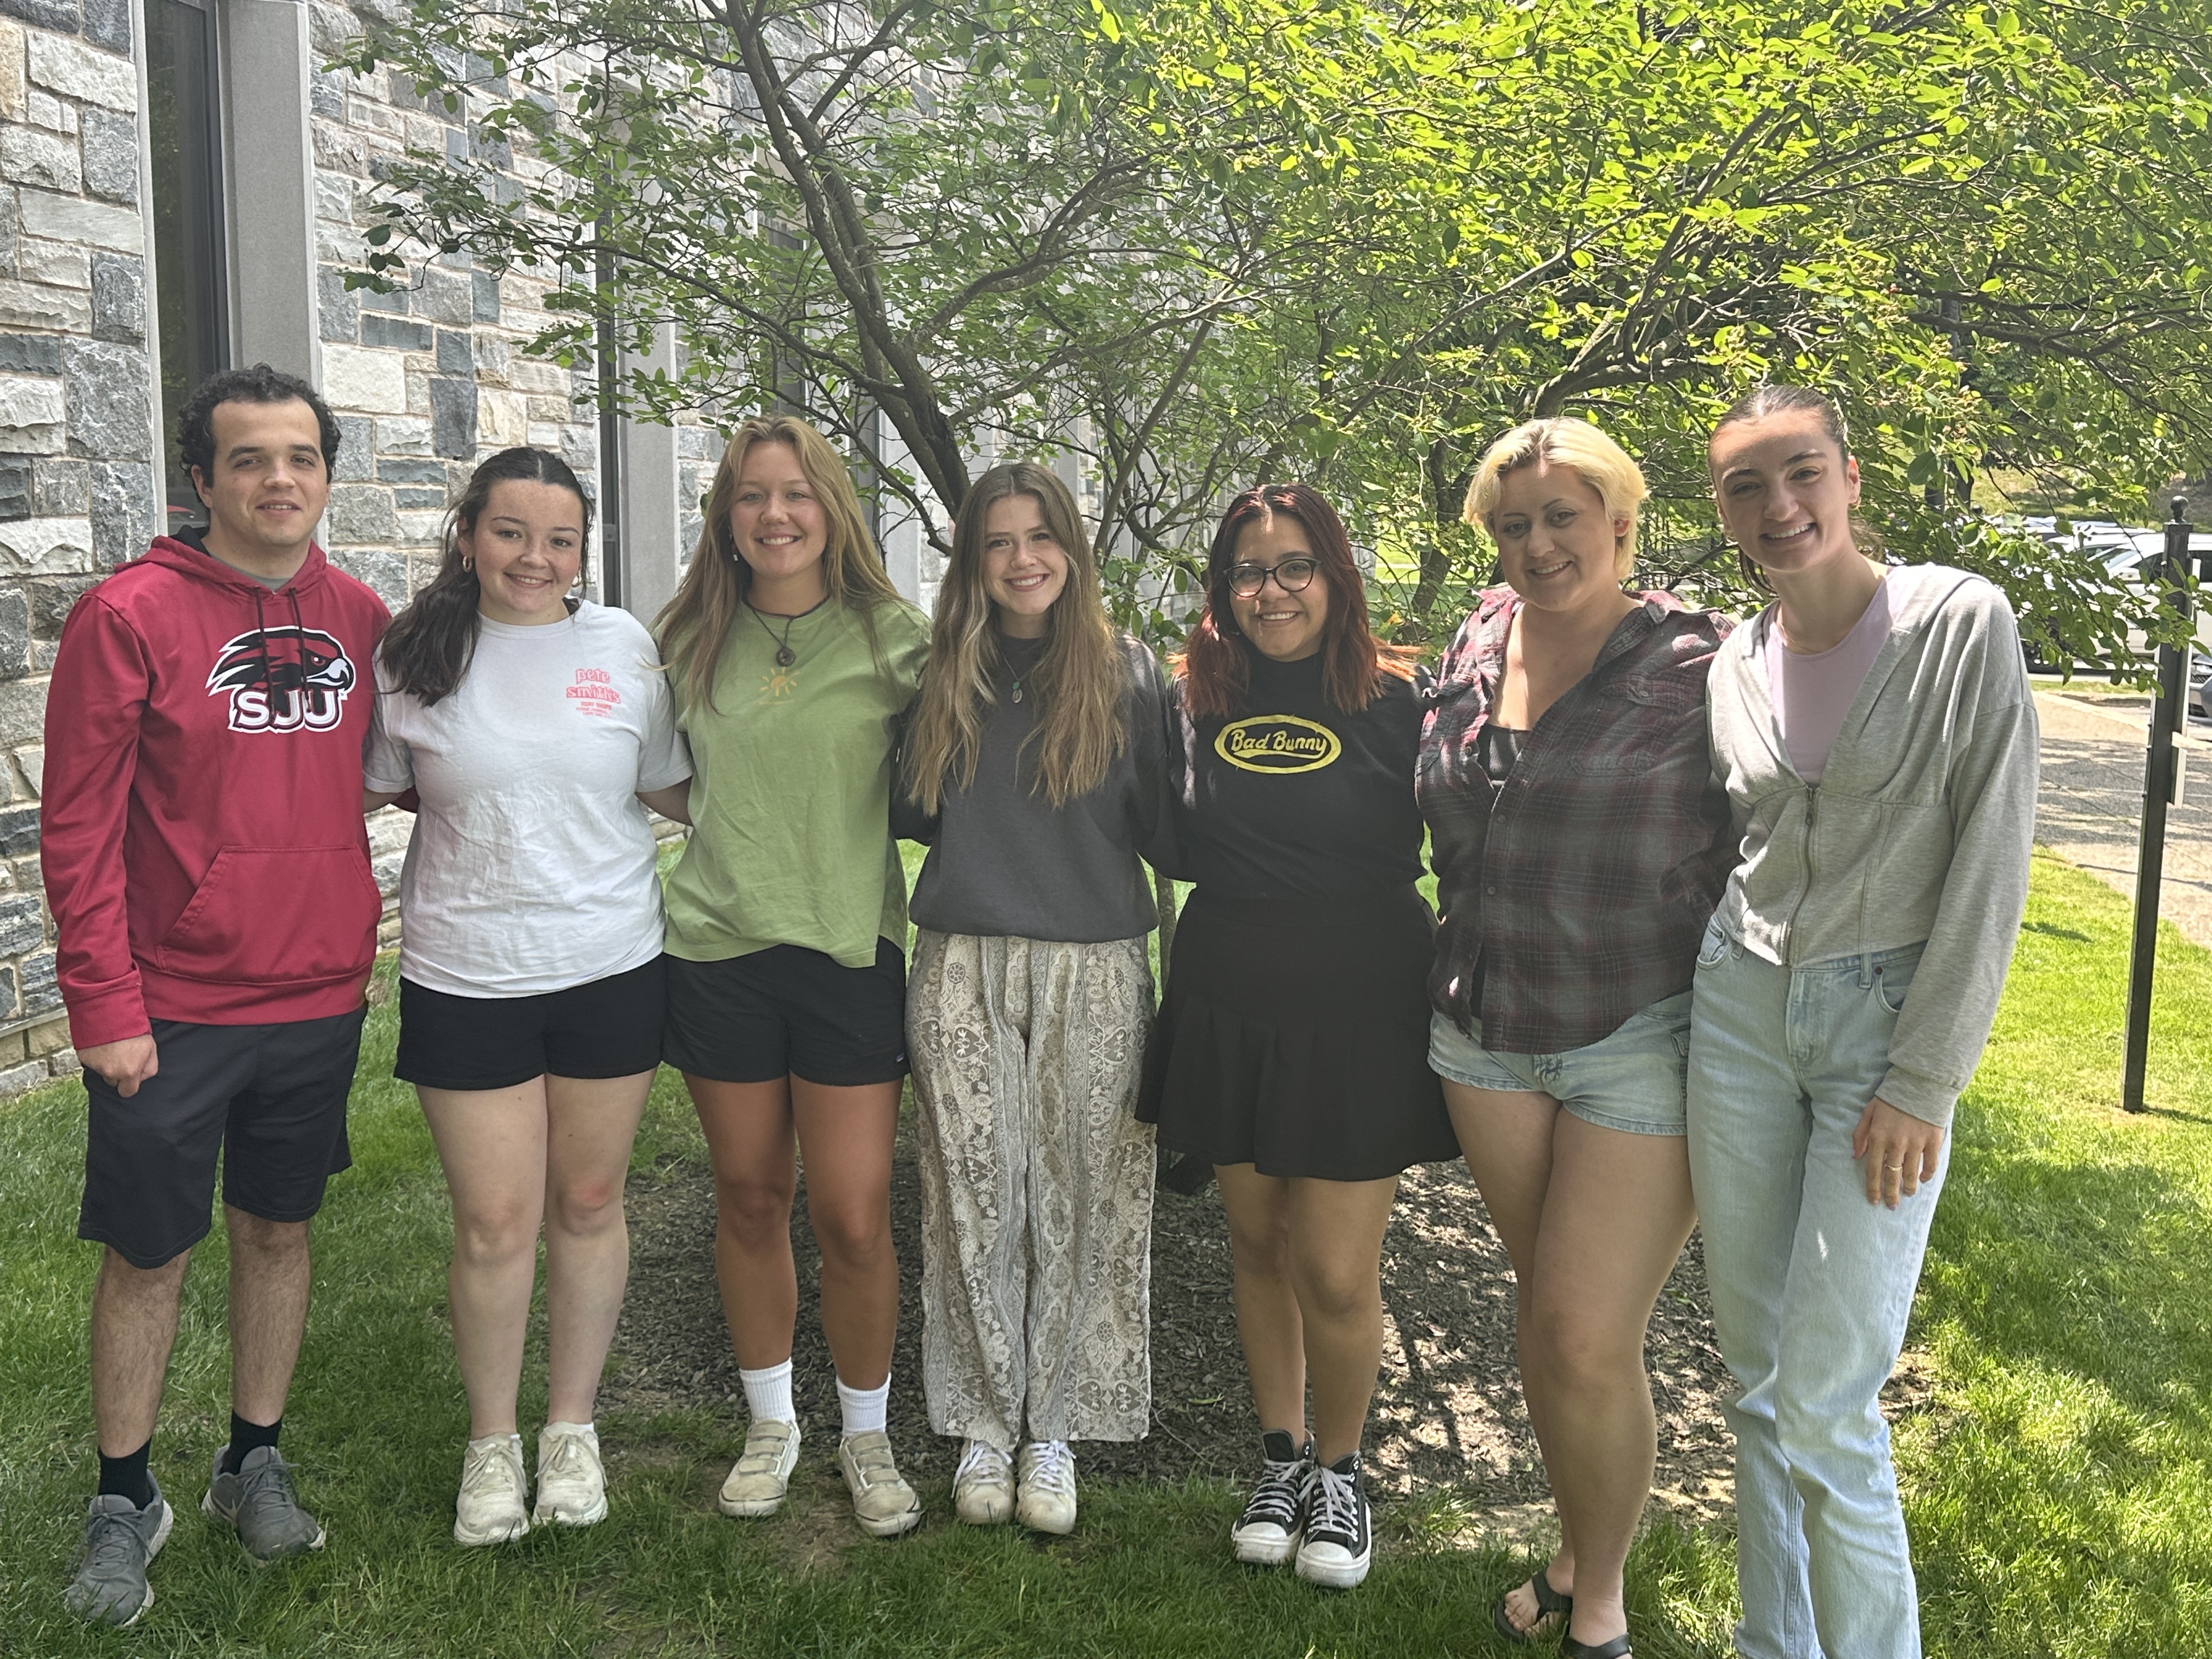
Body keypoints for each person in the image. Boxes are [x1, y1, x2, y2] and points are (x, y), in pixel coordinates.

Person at [1689, 385, 2038, 1658]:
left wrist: (1925, 1076)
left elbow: (1993, 864)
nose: (1779, 506)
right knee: (1758, 1384)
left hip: (1880, 1031)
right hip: (1738, 1014)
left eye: (1801, 473)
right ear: (1723, 512)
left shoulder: (1957, 625)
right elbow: (1748, 842)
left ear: (1848, 475)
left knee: (1832, 1400)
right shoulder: (1733, 660)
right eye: (1746, 487)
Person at [42, 365, 391, 1625]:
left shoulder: (359, 612)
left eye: (300, 457)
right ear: (202, 480)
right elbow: (75, 831)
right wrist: (104, 1005)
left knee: (278, 1231)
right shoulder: (127, 616)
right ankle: (125, 1495)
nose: (278, 480)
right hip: (173, 1004)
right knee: (149, 1251)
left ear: (326, 475)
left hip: (316, 991)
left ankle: (253, 1458)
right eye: (249, 460)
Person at [1418, 419, 1734, 1659]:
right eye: (1512, 524)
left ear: (1620, 518)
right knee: (1548, 1312)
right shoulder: (1476, 638)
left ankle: (1597, 1595)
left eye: (1562, 516)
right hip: (1482, 1028)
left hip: (1635, 1029)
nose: (1538, 545)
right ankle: (1572, 1539)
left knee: (1587, 1332)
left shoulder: (1701, 659)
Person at [362, 448, 692, 1545]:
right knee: (496, 1222)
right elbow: (366, 782)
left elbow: (664, 783)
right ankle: (493, 1444)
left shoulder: (621, 646)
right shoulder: (413, 656)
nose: (534, 559)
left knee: (590, 1204)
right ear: (470, 535)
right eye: (511, 533)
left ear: (581, 551)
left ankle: (571, 1430)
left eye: (559, 539)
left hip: (609, 964)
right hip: (467, 974)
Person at [1137, 482, 1454, 1590]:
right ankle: (1278, 1460)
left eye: (1292, 567)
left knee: (1334, 1265)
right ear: (1224, 589)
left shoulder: (1400, 699)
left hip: (1361, 1005)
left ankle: (1344, 1472)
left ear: (1335, 573)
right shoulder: (1193, 698)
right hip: (1230, 994)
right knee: (1258, 1245)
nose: (1269, 592)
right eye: (1246, 572)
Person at [657, 415, 931, 1538]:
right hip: (717, 953)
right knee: (751, 1198)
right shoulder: (684, 639)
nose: (776, 515)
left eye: (797, 494)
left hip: (848, 953)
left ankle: (865, 1432)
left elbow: (972, 763)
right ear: (727, 516)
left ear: (833, 510)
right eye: (752, 496)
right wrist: (732, 828)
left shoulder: (894, 638)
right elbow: (649, 774)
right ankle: (772, 1422)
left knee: (856, 1214)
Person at [896, 462, 1174, 1535]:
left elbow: (1166, 825)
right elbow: (912, 813)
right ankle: (981, 1422)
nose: (1022, 559)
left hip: (1094, 964)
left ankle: (1052, 1426)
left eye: (1040, 536)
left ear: (1073, 547)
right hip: (961, 959)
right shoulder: (945, 676)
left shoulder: (1130, 674)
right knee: (971, 1196)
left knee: (1084, 1196)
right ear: (973, 560)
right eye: (998, 541)